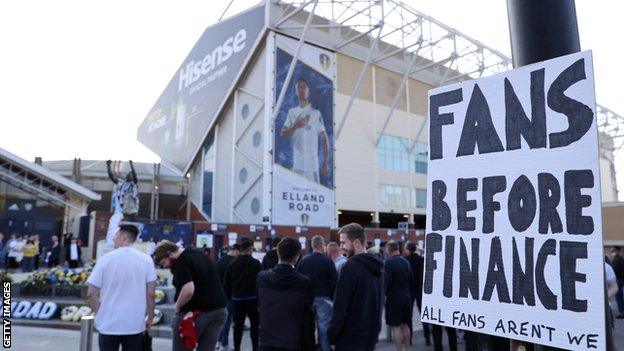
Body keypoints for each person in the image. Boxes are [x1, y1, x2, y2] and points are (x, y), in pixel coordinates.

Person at [87, 224, 157, 351]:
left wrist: (99, 313)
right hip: (134, 324)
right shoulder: (146, 260)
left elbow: (91, 293)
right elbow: (151, 294)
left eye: (116, 235)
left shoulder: (105, 259)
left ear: (124, 238)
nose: (113, 238)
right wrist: (150, 318)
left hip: (108, 324)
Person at [154, 240, 227, 351]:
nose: (165, 266)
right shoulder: (198, 254)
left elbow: (188, 290)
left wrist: (177, 307)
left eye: (164, 262)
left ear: (170, 254)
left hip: (196, 313)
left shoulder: (181, 262)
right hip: (219, 311)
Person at [328, 223, 384, 351]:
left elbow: (340, 306)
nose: (341, 247)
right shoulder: (379, 266)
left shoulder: (350, 266)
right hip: (371, 337)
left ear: (357, 242)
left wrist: (332, 336)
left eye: (343, 243)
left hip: (350, 339)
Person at [257, 237, 315, 351]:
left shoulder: (262, 278)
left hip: (267, 342)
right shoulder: (303, 282)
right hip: (292, 342)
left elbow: (259, 305)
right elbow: (307, 318)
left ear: (278, 252)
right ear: (297, 256)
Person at [280, 77, 330, 183]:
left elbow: (324, 138)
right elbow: (283, 134)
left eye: (303, 87)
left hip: (312, 167)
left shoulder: (316, 113)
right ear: (296, 92)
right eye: (299, 88)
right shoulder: (291, 112)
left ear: (308, 91)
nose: (301, 89)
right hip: (297, 165)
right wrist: (296, 126)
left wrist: (325, 162)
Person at [296, 235, 337, 351]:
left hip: (308, 298)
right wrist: (334, 298)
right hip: (324, 297)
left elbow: (297, 278)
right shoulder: (328, 261)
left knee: (308, 327)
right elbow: (335, 281)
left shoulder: (304, 260)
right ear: (323, 245)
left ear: (312, 245)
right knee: (323, 327)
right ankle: (325, 349)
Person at [223, 239, 262, 351]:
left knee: (238, 326)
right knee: (255, 325)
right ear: (250, 249)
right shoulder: (256, 264)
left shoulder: (232, 264)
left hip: (237, 299)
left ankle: (237, 348)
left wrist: (230, 297)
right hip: (252, 299)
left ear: (240, 250)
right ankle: (255, 347)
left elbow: (226, 284)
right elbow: (260, 282)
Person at [384, 241, 412, 351]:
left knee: (395, 326)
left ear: (389, 250)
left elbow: (386, 282)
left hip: (394, 298)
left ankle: (399, 349)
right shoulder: (406, 262)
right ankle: (407, 349)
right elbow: (411, 280)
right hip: (406, 295)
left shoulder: (388, 263)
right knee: (405, 324)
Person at [403, 241, 430, 346]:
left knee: (409, 316)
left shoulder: (405, 260)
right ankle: (427, 338)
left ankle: (409, 340)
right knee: (423, 316)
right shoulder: (422, 260)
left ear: (408, 249)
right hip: (420, 290)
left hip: (409, 290)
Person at [216, 244, 241, 350]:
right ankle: (224, 343)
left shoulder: (220, 261)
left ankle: (218, 341)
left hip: (219, 294)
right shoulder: (234, 263)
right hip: (229, 295)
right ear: (236, 251)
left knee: (221, 320)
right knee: (227, 320)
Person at [610, 246, 624, 318]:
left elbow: (614, 269)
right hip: (619, 279)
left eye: (613, 250)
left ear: (617, 251)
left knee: (619, 296)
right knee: (619, 296)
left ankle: (622, 312)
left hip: (619, 279)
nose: (612, 251)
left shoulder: (618, 259)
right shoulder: (619, 259)